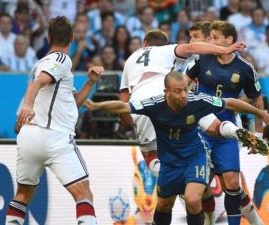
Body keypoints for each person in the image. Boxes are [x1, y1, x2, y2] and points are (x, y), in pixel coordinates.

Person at [85, 71, 269, 225]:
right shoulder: (154, 104)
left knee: (192, 199)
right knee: (164, 205)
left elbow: (229, 102)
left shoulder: (196, 101)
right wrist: (96, 105)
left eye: (186, 90)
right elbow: (123, 107)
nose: (184, 95)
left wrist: (260, 112)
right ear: (167, 92)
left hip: (195, 158)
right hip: (169, 164)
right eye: (178, 91)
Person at [6, 16, 104, 225]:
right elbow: (39, 83)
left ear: (49, 37)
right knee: (83, 193)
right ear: (71, 40)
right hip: (54, 137)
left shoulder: (41, 65)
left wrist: (90, 83)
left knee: (22, 195)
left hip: (28, 136)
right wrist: (28, 106)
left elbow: (71, 102)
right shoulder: (61, 60)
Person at [119, 28, 253, 179]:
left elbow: (123, 99)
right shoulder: (167, 50)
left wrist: (131, 123)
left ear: (144, 43)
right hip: (168, 92)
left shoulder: (130, 59)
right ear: (166, 44)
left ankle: (175, 175)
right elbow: (191, 48)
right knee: (210, 123)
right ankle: (234, 131)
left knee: (150, 153)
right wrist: (226, 49)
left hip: (142, 99)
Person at [185, 20, 265, 225]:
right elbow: (182, 85)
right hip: (199, 131)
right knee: (197, 187)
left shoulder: (245, 68)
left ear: (229, 40)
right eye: (209, 37)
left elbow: (257, 99)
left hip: (226, 131)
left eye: (215, 37)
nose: (210, 41)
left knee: (231, 182)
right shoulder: (201, 60)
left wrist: (256, 136)